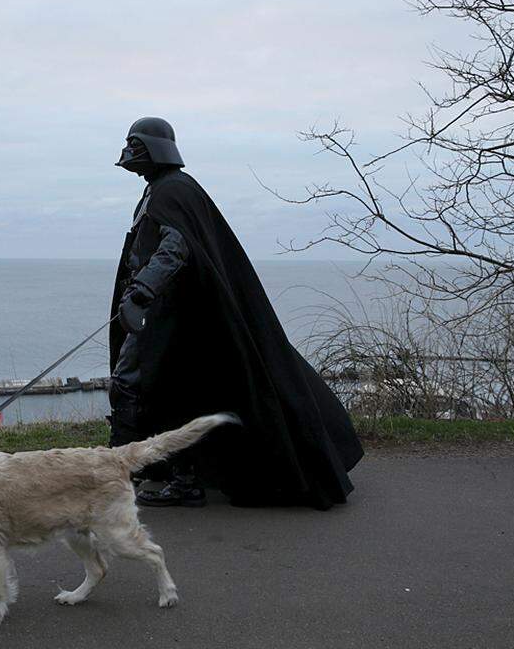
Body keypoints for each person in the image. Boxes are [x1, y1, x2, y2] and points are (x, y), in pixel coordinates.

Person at [108, 117, 363, 509]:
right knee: (159, 390)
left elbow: (174, 249)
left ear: (153, 148)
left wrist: (143, 289)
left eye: (134, 144)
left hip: (172, 317)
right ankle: (143, 469)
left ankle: (126, 473)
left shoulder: (172, 191)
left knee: (140, 386)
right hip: (169, 314)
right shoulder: (163, 190)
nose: (128, 153)